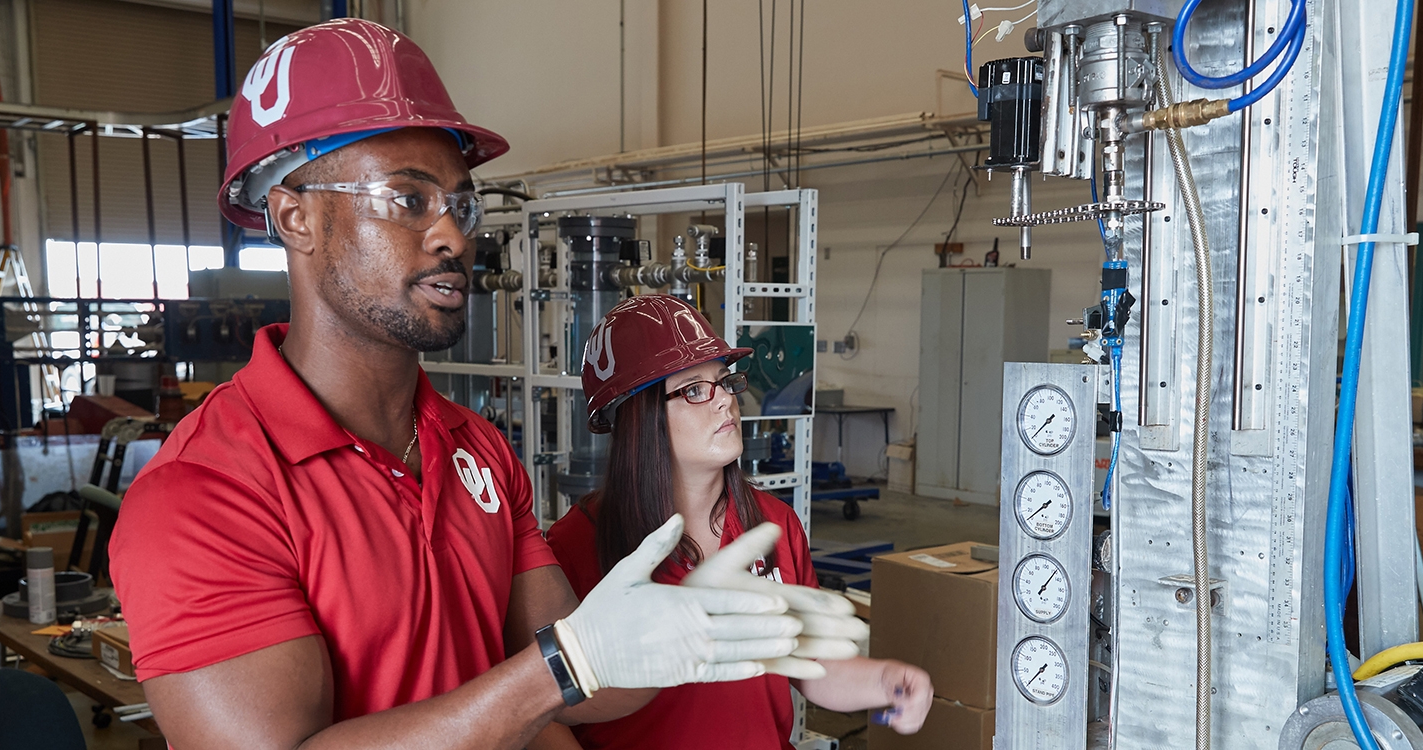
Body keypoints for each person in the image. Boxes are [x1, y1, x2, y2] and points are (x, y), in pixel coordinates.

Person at [109, 20, 863, 750]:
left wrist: (689, 624)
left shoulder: (479, 454)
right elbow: (556, 675)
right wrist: (566, 664)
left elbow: (580, 691)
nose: (453, 235)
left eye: (460, 204)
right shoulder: (206, 492)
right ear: (295, 217)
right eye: (408, 199)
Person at [543, 295, 934, 749]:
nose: (726, 400)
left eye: (725, 381)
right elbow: (545, 711)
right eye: (693, 389)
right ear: (636, 417)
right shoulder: (575, 545)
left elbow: (807, 664)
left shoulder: (772, 524)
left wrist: (885, 679)